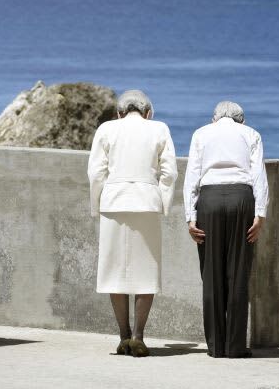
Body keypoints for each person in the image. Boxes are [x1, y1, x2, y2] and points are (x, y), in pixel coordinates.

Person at [88, 89, 177, 357]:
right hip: (146, 202)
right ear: (148, 112)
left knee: (114, 270)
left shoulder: (106, 129)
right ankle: (138, 336)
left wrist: (97, 205)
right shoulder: (159, 128)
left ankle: (123, 335)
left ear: (119, 112)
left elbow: (95, 172)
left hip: (114, 203)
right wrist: (163, 203)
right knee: (146, 270)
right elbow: (169, 172)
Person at [183, 101, 269, 358]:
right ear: (241, 120)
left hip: (209, 201)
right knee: (238, 273)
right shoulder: (251, 134)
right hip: (242, 199)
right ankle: (235, 346)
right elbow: (258, 176)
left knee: (211, 275)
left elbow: (192, 177)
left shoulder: (201, 134)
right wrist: (260, 214)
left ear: (214, 118)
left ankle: (215, 347)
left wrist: (190, 217)